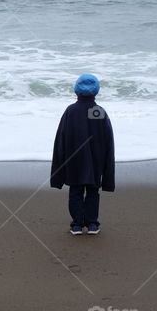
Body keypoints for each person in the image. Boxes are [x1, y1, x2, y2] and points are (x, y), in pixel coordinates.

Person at [50, 74, 115, 235]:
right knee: (93, 191)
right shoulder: (98, 111)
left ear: (76, 91)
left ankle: (77, 225)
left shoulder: (71, 111)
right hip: (95, 160)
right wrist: (107, 167)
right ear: (96, 92)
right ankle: (92, 224)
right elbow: (108, 140)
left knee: (75, 191)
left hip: (74, 160)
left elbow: (61, 139)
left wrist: (59, 165)